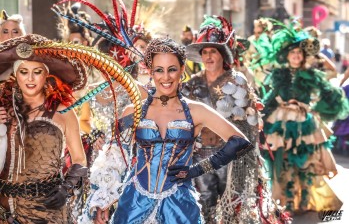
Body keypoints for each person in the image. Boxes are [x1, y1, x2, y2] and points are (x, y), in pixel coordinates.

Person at [82, 37, 257, 224]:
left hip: (180, 207)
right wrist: (102, 200)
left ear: (182, 70)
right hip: (133, 205)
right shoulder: (133, 111)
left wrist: (196, 170)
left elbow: (240, 142)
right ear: (150, 72)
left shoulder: (196, 111)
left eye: (172, 69)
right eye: (159, 70)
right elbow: (114, 155)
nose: (166, 77)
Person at [182, 15, 265, 223]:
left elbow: (251, 122)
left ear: (222, 55)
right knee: (205, 202)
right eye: (205, 52)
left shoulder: (237, 81)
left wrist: (247, 157)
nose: (209, 56)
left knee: (233, 205)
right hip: (202, 157)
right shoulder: (191, 85)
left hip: (231, 157)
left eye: (213, 51)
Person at [259, 22, 348, 213]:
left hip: (303, 123)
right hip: (280, 121)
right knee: (283, 160)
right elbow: (272, 96)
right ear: (287, 56)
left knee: (304, 161)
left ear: (303, 56)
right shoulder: (279, 74)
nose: (296, 56)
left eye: (299, 53)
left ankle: (303, 200)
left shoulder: (310, 74)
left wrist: (316, 107)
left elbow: (328, 91)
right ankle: (285, 200)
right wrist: (261, 113)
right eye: (293, 53)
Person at [0, 34, 88, 223]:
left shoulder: (63, 112)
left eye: (37, 71)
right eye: (24, 72)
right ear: (16, 76)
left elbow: (80, 159)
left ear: (46, 75)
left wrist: (66, 190)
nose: (30, 79)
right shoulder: (4, 110)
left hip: (47, 211)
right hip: (5, 211)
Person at [0, 10, 26, 81]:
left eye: (15, 32)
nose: (10, 36)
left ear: (21, 34)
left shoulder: (31, 54)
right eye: (5, 32)